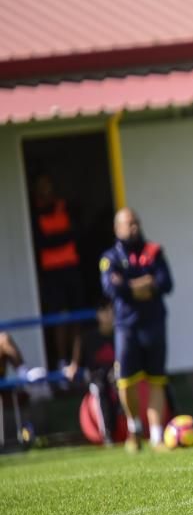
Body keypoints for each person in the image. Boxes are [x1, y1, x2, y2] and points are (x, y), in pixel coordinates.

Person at [99, 208, 173, 452]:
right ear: (117, 228)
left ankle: (156, 436)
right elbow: (113, 289)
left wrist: (129, 285)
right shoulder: (110, 258)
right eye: (128, 223)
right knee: (126, 383)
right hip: (126, 327)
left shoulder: (154, 252)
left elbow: (165, 283)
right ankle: (134, 429)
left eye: (136, 222)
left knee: (156, 380)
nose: (133, 227)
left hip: (154, 324)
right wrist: (143, 284)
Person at [30, 173, 87, 368]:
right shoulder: (34, 213)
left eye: (48, 184)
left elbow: (76, 233)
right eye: (41, 185)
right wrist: (63, 238)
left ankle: (76, 361)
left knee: (77, 316)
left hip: (71, 268)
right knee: (60, 317)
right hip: (52, 273)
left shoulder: (65, 207)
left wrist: (57, 239)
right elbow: (42, 242)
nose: (45, 188)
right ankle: (63, 361)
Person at [63, 300, 118, 445]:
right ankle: (107, 434)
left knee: (121, 383)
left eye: (111, 311)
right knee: (100, 388)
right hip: (96, 375)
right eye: (105, 311)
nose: (109, 315)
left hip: (115, 373)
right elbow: (78, 344)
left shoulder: (120, 335)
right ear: (98, 315)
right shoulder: (88, 337)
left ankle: (131, 427)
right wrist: (74, 364)